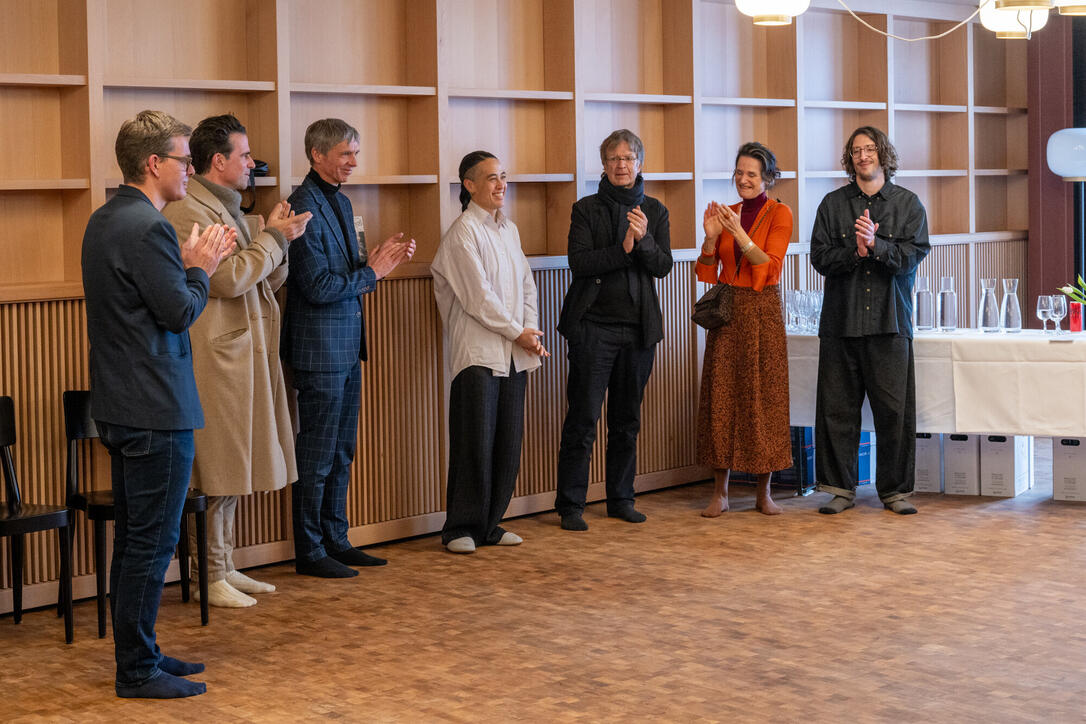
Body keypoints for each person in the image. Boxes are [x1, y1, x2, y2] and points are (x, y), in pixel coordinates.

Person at [82, 110, 236, 698]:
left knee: (136, 539)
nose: (191, 169)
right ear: (154, 164)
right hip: (155, 409)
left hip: (121, 406)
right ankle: (137, 670)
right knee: (152, 542)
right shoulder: (148, 229)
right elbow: (178, 312)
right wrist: (202, 268)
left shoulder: (104, 219)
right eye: (183, 159)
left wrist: (191, 267)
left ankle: (141, 652)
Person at [163, 114, 312, 607]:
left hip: (244, 348)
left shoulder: (226, 208)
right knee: (218, 465)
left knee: (236, 463)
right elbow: (225, 280)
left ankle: (226, 564)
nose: (252, 164)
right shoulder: (189, 209)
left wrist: (276, 239)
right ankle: (209, 572)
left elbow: (261, 279)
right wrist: (273, 239)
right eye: (244, 155)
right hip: (216, 353)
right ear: (219, 160)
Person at [282, 118, 416, 577]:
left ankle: (336, 538)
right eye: (345, 154)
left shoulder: (338, 200)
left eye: (355, 154)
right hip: (320, 350)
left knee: (342, 450)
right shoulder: (301, 205)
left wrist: (381, 259)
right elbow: (317, 286)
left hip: (346, 346)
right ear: (317, 155)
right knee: (317, 453)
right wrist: (372, 273)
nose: (353, 163)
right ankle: (310, 550)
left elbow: (349, 270)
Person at [555, 129, 673, 531]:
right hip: (593, 329)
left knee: (626, 421)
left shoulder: (655, 211)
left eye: (628, 158)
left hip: (638, 332)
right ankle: (570, 504)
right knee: (583, 418)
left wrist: (642, 243)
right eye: (613, 159)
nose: (621, 166)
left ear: (640, 163)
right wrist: (623, 248)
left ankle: (621, 498)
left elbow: (662, 266)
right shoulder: (586, 209)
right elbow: (580, 263)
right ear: (603, 166)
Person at [431, 151, 549, 554]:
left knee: (506, 442)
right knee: (474, 443)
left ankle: (490, 523)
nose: (501, 185)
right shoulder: (462, 232)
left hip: (514, 353)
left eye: (503, 177)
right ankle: (460, 528)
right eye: (491, 178)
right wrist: (519, 332)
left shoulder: (508, 229)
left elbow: (527, 285)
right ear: (469, 185)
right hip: (478, 355)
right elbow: (478, 299)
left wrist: (528, 331)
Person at [810, 125, 931, 515]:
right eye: (856, 151)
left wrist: (876, 246)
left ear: (883, 154)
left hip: (890, 323)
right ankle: (839, 490)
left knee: (893, 412)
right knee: (836, 410)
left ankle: (895, 492)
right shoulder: (831, 204)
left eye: (869, 149)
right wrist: (856, 253)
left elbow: (912, 257)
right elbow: (820, 259)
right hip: (840, 324)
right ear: (850, 160)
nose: (863, 156)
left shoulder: (909, 204)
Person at [696, 142, 794, 517]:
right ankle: (720, 492)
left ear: (767, 177)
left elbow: (769, 266)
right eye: (739, 173)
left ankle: (763, 491)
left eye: (752, 174)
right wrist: (709, 238)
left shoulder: (779, 213)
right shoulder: (728, 213)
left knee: (763, 395)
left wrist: (738, 233)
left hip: (763, 310)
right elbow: (707, 271)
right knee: (721, 395)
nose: (743, 180)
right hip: (728, 309)